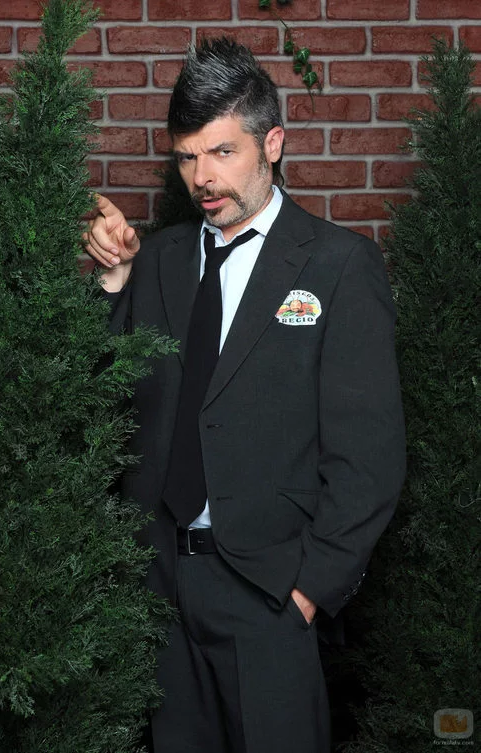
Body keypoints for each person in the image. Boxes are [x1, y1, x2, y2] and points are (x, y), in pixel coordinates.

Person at [84, 38, 406, 753]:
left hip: (268, 594)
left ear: (273, 145)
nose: (203, 177)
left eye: (223, 152)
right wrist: (111, 286)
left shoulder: (339, 266)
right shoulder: (156, 259)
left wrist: (307, 590)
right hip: (159, 595)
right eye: (187, 157)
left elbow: (369, 458)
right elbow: (100, 399)